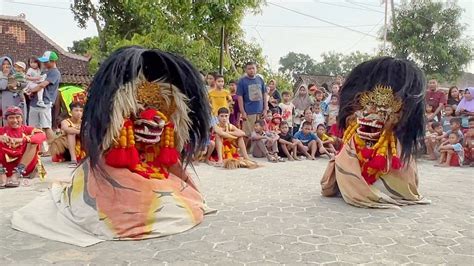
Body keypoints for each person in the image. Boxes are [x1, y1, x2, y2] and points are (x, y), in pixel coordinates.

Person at [12, 47, 215, 247]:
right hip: (117, 160)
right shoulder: (120, 121)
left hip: (152, 161)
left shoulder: (164, 120)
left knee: (179, 197)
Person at [321, 57, 430, 208]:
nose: (372, 112)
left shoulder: (395, 131)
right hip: (359, 143)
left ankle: (382, 189)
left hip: (387, 143)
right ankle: (355, 184)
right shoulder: (355, 124)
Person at [0, 106, 46, 188]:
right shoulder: (2, 131)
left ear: (22, 118)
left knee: (33, 143)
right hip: (5, 167)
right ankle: (1, 174)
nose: (15, 121)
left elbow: (42, 136)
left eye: (17, 117)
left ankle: (17, 174)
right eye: (11, 118)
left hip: (25, 166)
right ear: (6, 119)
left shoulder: (28, 129)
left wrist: (22, 139)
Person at [25, 51, 61, 148]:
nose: (44, 63)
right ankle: (38, 148)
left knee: (46, 126)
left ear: (53, 61)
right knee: (34, 127)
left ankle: (56, 148)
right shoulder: (44, 72)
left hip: (45, 102)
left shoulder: (55, 73)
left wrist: (31, 90)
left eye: (46, 61)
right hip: (34, 102)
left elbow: (42, 85)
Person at [237, 62, 267, 141]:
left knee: (260, 133)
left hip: (260, 112)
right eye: (249, 69)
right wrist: (242, 111)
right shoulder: (242, 81)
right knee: (247, 134)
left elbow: (264, 94)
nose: (251, 70)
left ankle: (257, 152)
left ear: (256, 69)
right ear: (246, 70)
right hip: (249, 112)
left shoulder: (260, 79)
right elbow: (239, 97)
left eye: (253, 68)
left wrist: (265, 109)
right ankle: (246, 151)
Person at [49, 102, 85, 167]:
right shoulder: (65, 121)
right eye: (76, 110)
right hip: (66, 147)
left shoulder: (84, 122)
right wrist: (80, 131)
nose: (79, 113)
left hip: (80, 146)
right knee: (71, 133)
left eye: (81, 111)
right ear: (70, 112)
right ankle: (73, 160)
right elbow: (67, 129)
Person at [0, 56, 26, 125]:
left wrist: (17, 84)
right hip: (6, 100)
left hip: (18, 99)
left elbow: (24, 84)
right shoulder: (1, 75)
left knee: (20, 120)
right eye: (4, 64)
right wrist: (5, 75)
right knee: (8, 120)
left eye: (8, 64)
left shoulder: (16, 74)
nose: (6, 66)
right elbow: (2, 86)